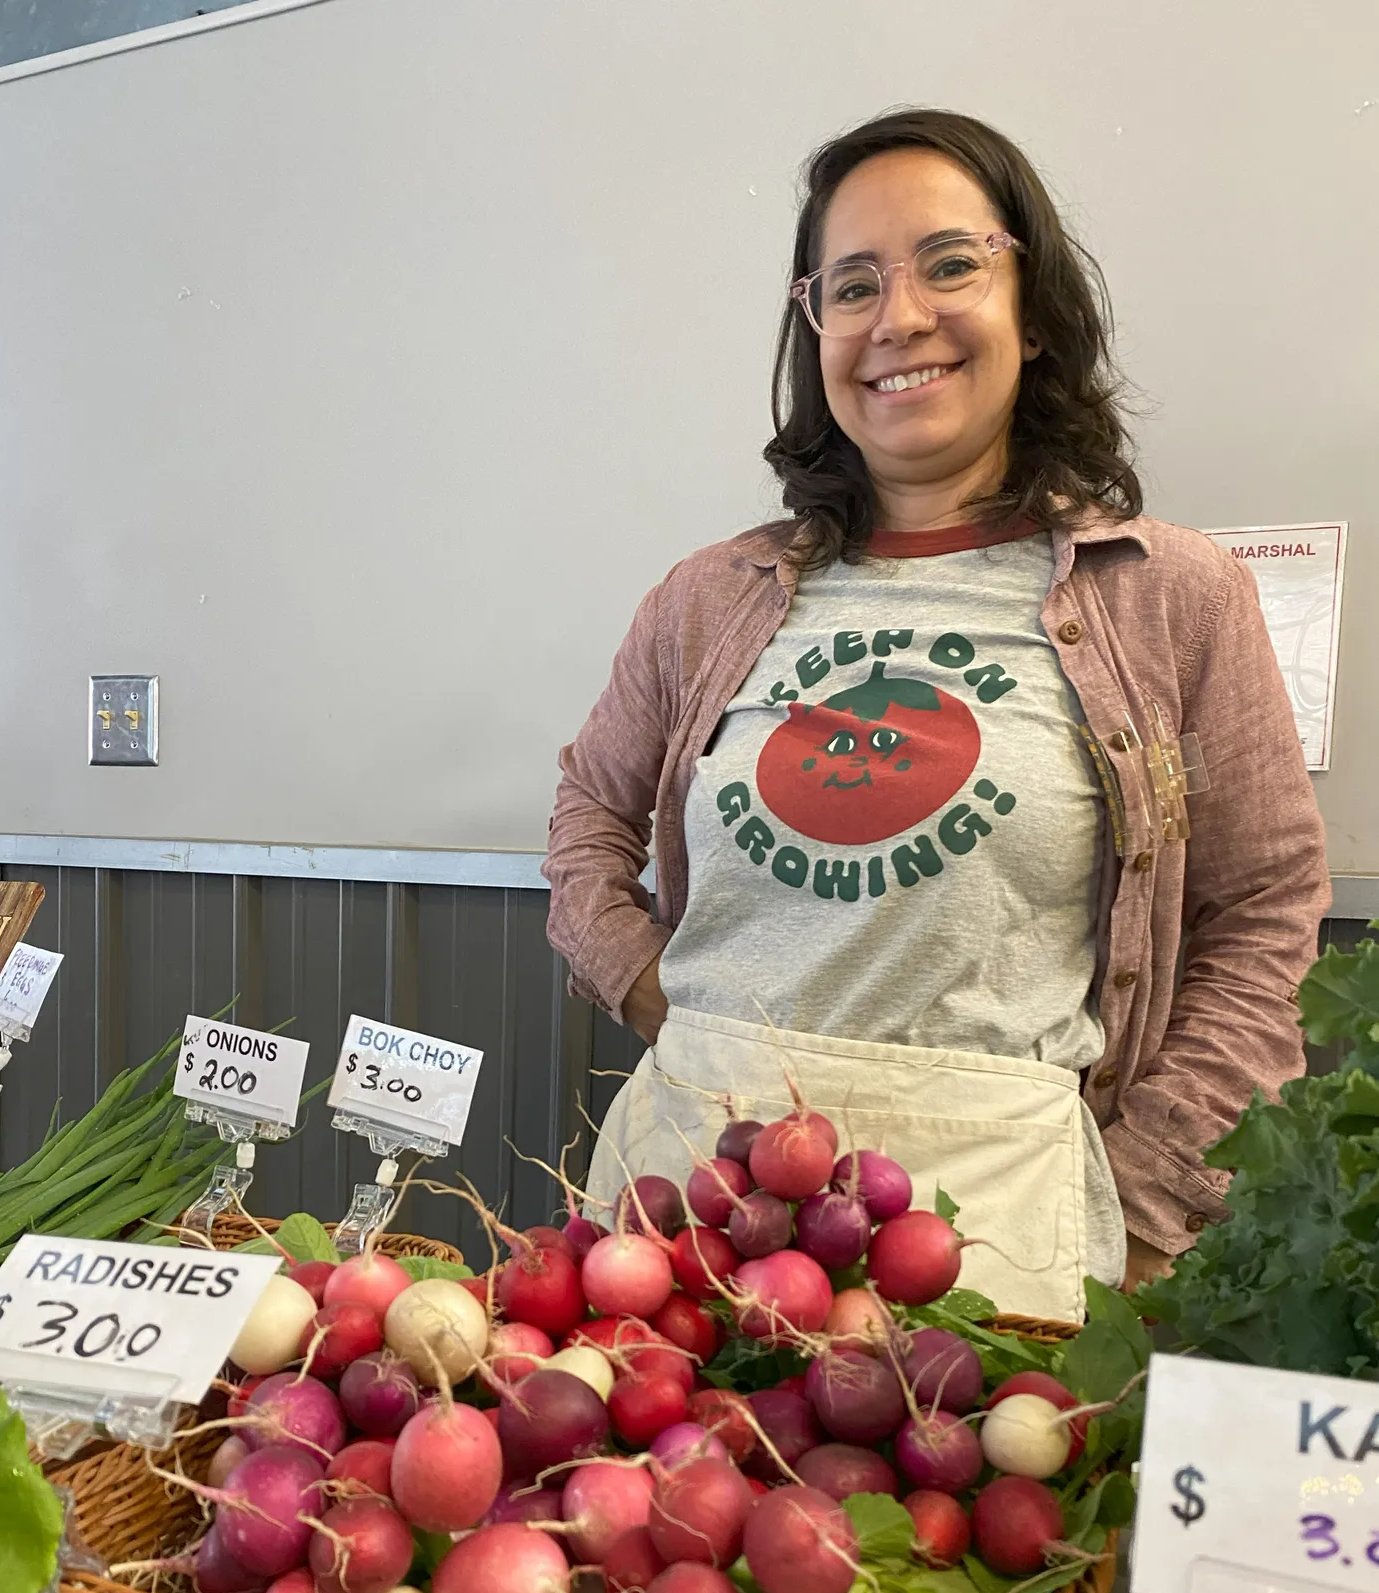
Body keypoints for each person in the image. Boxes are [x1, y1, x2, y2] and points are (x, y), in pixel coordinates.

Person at [543, 108, 1327, 1321]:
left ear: (1036, 305)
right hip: (686, 1207)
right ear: (815, 331)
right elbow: (590, 810)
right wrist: (647, 986)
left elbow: (1262, 918)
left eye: (950, 263)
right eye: (852, 285)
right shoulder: (709, 597)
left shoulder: (1171, 594)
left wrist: (1141, 1195)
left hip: (997, 1231)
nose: (899, 317)